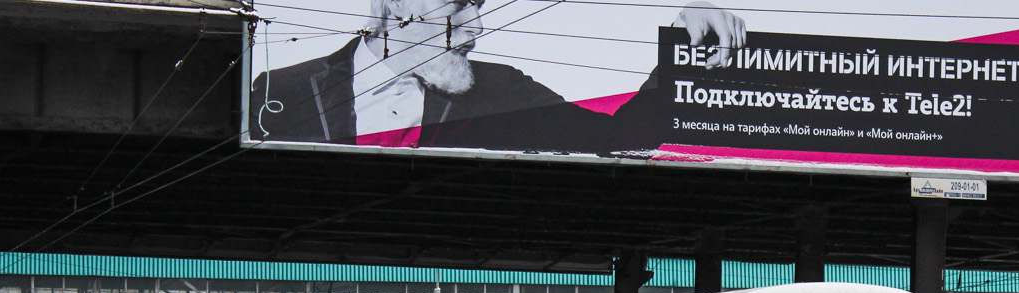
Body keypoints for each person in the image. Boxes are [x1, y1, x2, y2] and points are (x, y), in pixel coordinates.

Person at [249, 1, 746, 153]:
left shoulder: (503, 91)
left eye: (480, 7)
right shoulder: (276, 93)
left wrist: (681, 51)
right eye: (461, 5)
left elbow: (618, 139)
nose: (480, 26)